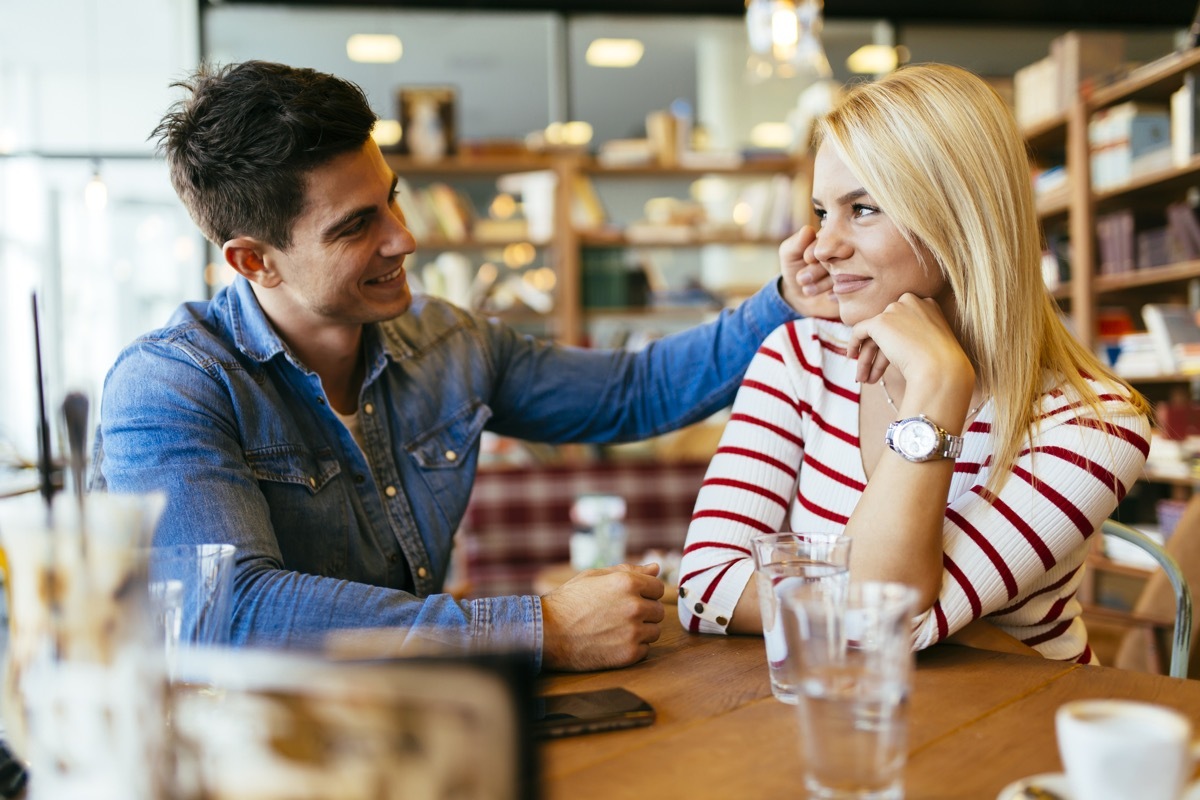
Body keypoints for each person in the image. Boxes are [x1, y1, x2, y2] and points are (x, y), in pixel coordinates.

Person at [90, 60, 836, 673]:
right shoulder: (169, 388)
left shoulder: (447, 343)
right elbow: (228, 614)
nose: (404, 239)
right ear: (255, 260)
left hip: (411, 735)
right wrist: (537, 628)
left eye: (392, 201)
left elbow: (631, 393)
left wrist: (782, 300)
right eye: (357, 227)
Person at [678, 63, 1152, 664]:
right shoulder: (800, 358)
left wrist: (937, 385)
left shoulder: (1095, 427)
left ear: (959, 219)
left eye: (864, 209)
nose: (823, 245)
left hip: (1016, 735)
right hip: (842, 720)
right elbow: (704, 590)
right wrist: (852, 608)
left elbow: (885, 622)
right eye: (823, 212)